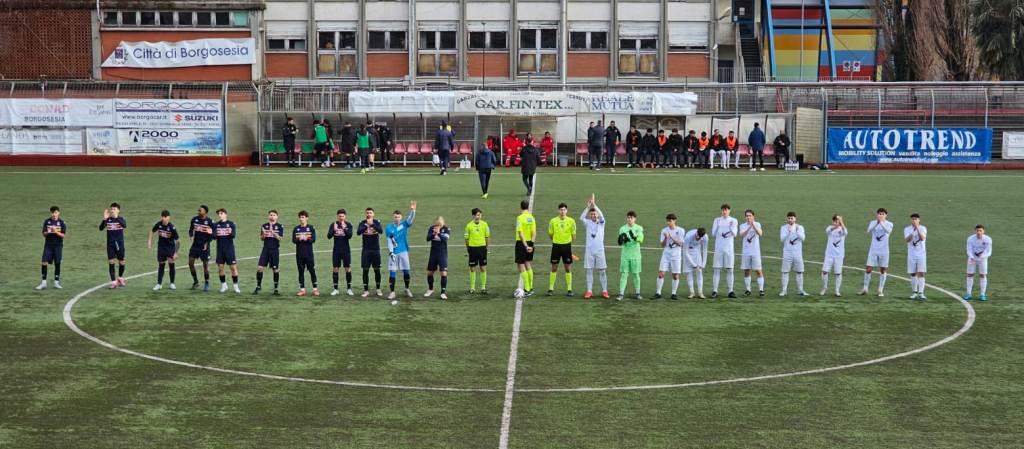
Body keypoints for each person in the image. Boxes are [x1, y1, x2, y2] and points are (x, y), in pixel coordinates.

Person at [385, 201, 417, 300]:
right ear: (393, 217)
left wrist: (413, 210)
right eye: (395, 217)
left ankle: (407, 289)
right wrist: (391, 252)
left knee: (406, 271)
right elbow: (389, 241)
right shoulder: (389, 228)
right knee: (392, 272)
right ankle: (392, 292)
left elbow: (410, 219)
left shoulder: (404, 224)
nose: (397, 218)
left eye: (398, 217)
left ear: (401, 217)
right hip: (394, 253)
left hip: (403, 251)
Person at [579, 194, 608, 299]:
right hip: (589, 251)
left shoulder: (601, 223)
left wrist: (594, 205)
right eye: (592, 214)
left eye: (595, 214)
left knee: (602, 271)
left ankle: (604, 291)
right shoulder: (587, 222)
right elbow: (581, 218)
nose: (594, 216)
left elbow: (602, 215)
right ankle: (589, 291)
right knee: (589, 270)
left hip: (600, 250)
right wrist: (588, 207)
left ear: (597, 215)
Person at [861, 208, 893, 297]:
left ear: (886, 215)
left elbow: (888, 231)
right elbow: (868, 230)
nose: (881, 215)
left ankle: (880, 290)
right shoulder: (873, 222)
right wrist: (877, 223)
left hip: (884, 250)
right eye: (879, 214)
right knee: (868, 269)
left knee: (883, 269)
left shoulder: (889, 224)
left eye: (882, 214)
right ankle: (865, 288)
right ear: (877, 214)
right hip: (873, 249)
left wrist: (881, 222)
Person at [547, 203, 577, 297]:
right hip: (556, 246)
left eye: (564, 210)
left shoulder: (571, 221)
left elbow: (574, 235)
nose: (562, 211)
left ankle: (569, 289)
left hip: (566, 246)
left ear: (566, 211)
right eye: (561, 210)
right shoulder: (553, 221)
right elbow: (550, 234)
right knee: (554, 267)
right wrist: (557, 240)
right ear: (558, 211)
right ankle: (550, 288)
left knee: (567, 268)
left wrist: (567, 242)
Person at [655, 214, 686, 300]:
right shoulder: (664, 230)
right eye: (667, 221)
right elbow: (662, 245)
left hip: (676, 255)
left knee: (675, 275)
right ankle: (658, 293)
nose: (668, 223)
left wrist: (671, 237)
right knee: (661, 274)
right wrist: (665, 238)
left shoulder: (681, 230)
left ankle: (674, 293)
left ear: (675, 220)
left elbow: (681, 244)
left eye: (670, 221)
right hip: (666, 254)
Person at [147, 210, 179, 291]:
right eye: (163, 217)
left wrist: (175, 252)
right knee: (161, 265)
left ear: (169, 218)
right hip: (161, 248)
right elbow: (152, 231)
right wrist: (149, 241)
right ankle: (159, 284)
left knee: (171, 265)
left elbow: (178, 241)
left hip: (170, 248)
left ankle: (172, 283)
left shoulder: (172, 227)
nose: (164, 219)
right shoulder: (158, 224)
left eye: (166, 217)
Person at [254, 209, 284, 296]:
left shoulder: (280, 226)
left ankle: (276, 289)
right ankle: (258, 286)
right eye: (270, 215)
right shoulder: (264, 226)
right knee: (260, 268)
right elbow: (261, 238)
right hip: (266, 249)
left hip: (274, 250)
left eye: (274, 215)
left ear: (277, 217)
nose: (272, 216)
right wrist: (264, 234)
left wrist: (273, 233)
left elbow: (280, 238)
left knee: (275, 269)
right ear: (268, 216)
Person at [711, 204, 738, 299]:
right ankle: (715, 290)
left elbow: (735, 234)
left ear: (729, 211)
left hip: (729, 249)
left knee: (730, 269)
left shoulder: (733, 220)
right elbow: (713, 233)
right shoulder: (717, 220)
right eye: (723, 210)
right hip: (718, 248)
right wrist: (718, 226)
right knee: (717, 269)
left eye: (726, 210)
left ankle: (731, 291)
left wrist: (730, 226)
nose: (724, 212)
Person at [616, 211, 644, 300]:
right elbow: (621, 242)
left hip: (636, 256)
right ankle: (621, 294)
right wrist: (622, 241)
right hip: (625, 255)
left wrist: (635, 238)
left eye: (631, 217)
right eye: (628, 217)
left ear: (635, 219)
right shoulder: (622, 229)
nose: (629, 219)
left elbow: (641, 239)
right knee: (624, 274)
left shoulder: (639, 228)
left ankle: (638, 293)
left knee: (636, 274)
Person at [37, 206, 66, 290]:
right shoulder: (47, 221)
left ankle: (56, 282)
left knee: (57, 263)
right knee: (44, 262)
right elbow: (43, 234)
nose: (54, 214)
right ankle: (43, 283)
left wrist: (56, 231)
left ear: (59, 213)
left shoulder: (62, 222)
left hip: (58, 246)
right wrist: (49, 231)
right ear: (51, 213)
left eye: (55, 212)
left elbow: (63, 235)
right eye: (52, 212)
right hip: (48, 245)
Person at [100, 202, 128, 289]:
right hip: (110, 244)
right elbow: (101, 228)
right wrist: (104, 219)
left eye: (114, 209)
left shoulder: (121, 219)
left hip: (120, 244)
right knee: (111, 261)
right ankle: (113, 282)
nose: (112, 211)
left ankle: (120, 277)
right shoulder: (108, 220)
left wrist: (116, 218)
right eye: (111, 209)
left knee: (122, 261)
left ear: (118, 210)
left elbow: (124, 225)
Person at [358, 208, 384, 297]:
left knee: (377, 270)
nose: (369, 214)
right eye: (367, 213)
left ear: (373, 214)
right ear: (365, 214)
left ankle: (378, 289)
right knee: (365, 270)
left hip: (375, 249)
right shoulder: (362, 222)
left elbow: (381, 231)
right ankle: (366, 290)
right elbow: (358, 232)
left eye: (370, 213)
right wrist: (366, 225)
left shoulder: (377, 222)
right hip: (366, 250)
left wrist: (372, 224)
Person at [779, 211, 807, 297]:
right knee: (785, 272)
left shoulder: (800, 227)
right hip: (787, 253)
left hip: (797, 253)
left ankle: (800, 290)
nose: (790, 220)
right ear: (787, 219)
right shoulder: (783, 227)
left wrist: (797, 231)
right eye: (789, 218)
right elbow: (782, 239)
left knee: (799, 272)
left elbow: (803, 238)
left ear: (795, 219)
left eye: (792, 218)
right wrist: (788, 232)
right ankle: (784, 290)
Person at [327, 209, 354, 296]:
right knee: (335, 268)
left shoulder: (348, 225)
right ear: (337, 216)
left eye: (342, 216)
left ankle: (349, 289)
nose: (341, 218)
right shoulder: (333, 224)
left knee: (347, 268)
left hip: (346, 250)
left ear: (345, 216)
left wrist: (344, 227)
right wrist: (334, 230)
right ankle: (335, 289)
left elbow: (349, 235)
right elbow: (328, 236)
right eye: (339, 216)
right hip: (336, 250)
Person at [213, 208, 240, 294]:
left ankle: (235, 286)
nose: (219, 215)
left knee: (233, 268)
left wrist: (230, 232)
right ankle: (224, 285)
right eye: (218, 214)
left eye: (221, 213)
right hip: (220, 249)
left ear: (225, 214)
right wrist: (212, 232)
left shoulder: (231, 224)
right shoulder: (216, 225)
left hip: (229, 249)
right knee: (220, 268)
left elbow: (233, 235)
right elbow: (214, 237)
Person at [187, 205, 214, 291]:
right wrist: (191, 236)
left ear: (205, 212)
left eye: (200, 210)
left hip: (204, 246)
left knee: (205, 265)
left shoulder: (210, 221)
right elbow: (191, 230)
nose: (198, 211)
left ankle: (206, 283)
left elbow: (213, 235)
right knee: (190, 263)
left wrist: (207, 243)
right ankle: (196, 282)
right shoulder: (194, 219)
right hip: (195, 245)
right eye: (198, 210)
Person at [293, 210, 319, 296]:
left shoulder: (311, 228)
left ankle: (315, 289)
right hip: (299, 254)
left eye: (303, 217)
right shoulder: (296, 228)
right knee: (300, 271)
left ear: (307, 218)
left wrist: (307, 238)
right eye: (300, 217)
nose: (301, 219)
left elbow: (313, 239)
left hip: (308, 254)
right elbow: (293, 240)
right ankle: (302, 289)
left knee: (312, 270)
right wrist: (299, 239)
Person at [465, 208, 491, 295]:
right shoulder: (468, 226)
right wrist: (468, 248)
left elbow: (487, 237)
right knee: (472, 268)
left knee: (483, 268)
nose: (479, 216)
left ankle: (483, 287)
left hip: (482, 248)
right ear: (473, 216)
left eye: (480, 215)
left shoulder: (485, 224)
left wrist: (487, 247)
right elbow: (466, 239)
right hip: (472, 248)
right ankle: (472, 288)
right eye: (477, 215)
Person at [739, 209, 765, 297]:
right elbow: (741, 235)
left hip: (755, 252)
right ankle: (748, 289)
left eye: (750, 216)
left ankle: (761, 289)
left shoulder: (757, 224)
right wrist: (749, 228)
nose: (748, 217)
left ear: (753, 216)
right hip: (746, 252)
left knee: (758, 270)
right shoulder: (742, 225)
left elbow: (760, 234)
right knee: (746, 270)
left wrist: (753, 225)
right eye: (747, 216)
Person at [424, 216, 451, 300]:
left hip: (442, 254)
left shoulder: (446, 229)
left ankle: (443, 293)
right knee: (430, 273)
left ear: (443, 223)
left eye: (440, 223)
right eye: (438, 223)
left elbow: (445, 239)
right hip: (433, 254)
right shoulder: (432, 228)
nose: (439, 225)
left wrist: (438, 233)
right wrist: (433, 234)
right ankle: (430, 289)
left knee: (443, 273)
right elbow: (427, 239)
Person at [964, 224, 992, 301]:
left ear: (983, 231)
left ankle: (982, 294)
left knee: (982, 275)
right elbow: (968, 250)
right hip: (972, 258)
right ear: (975, 231)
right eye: (977, 230)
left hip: (983, 259)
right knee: (970, 275)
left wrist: (982, 257)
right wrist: (972, 257)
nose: (979, 232)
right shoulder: (970, 239)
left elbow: (989, 252)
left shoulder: (988, 239)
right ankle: (968, 293)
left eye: (980, 230)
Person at [515, 200, 537, 297]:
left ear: (520, 207)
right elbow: (534, 232)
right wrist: (531, 245)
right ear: (528, 207)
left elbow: (520, 233)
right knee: (528, 263)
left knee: (521, 264)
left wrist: (525, 246)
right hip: (530, 242)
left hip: (521, 243)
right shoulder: (531, 218)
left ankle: (527, 288)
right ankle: (531, 288)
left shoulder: (520, 218)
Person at [821, 214, 847, 297]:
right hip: (829, 254)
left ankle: (837, 290)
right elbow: (828, 231)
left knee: (838, 273)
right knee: (824, 272)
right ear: (833, 221)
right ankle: (824, 288)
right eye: (835, 221)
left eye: (838, 221)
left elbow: (845, 232)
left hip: (839, 255)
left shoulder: (842, 229)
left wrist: (841, 222)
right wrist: (835, 226)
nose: (836, 223)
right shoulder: (829, 228)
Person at [904, 213, 928, 300]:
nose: (914, 220)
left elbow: (922, 238)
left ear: (919, 220)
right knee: (913, 273)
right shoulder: (907, 229)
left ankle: (921, 293)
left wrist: (917, 228)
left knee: (921, 273)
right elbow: (907, 240)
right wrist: (912, 232)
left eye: (916, 219)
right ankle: (914, 292)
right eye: (913, 219)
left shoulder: (923, 228)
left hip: (921, 254)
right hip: (911, 254)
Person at [683, 227, 709, 299]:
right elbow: (685, 252)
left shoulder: (705, 237)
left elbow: (705, 250)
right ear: (696, 233)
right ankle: (692, 292)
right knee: (689, 273)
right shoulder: (688, 236)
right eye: (697, 236)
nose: (698, 238)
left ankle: (700, 293)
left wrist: (703, 264)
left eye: (700, 237)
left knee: (699, 272)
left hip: (697, 252)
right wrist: (694, 264)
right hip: (688, 252)